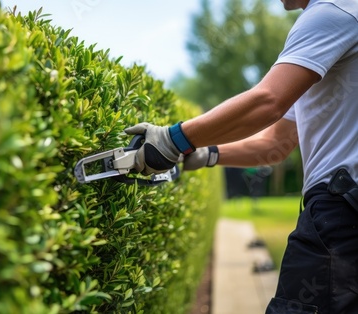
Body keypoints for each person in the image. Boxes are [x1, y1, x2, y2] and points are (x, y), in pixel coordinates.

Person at [125, 0, 358, 313]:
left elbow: (267, 101)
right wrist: (208, 153)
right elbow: (277, 143)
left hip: (340, 216)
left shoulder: (331, 12)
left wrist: (173, 139)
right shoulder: (336, 29)